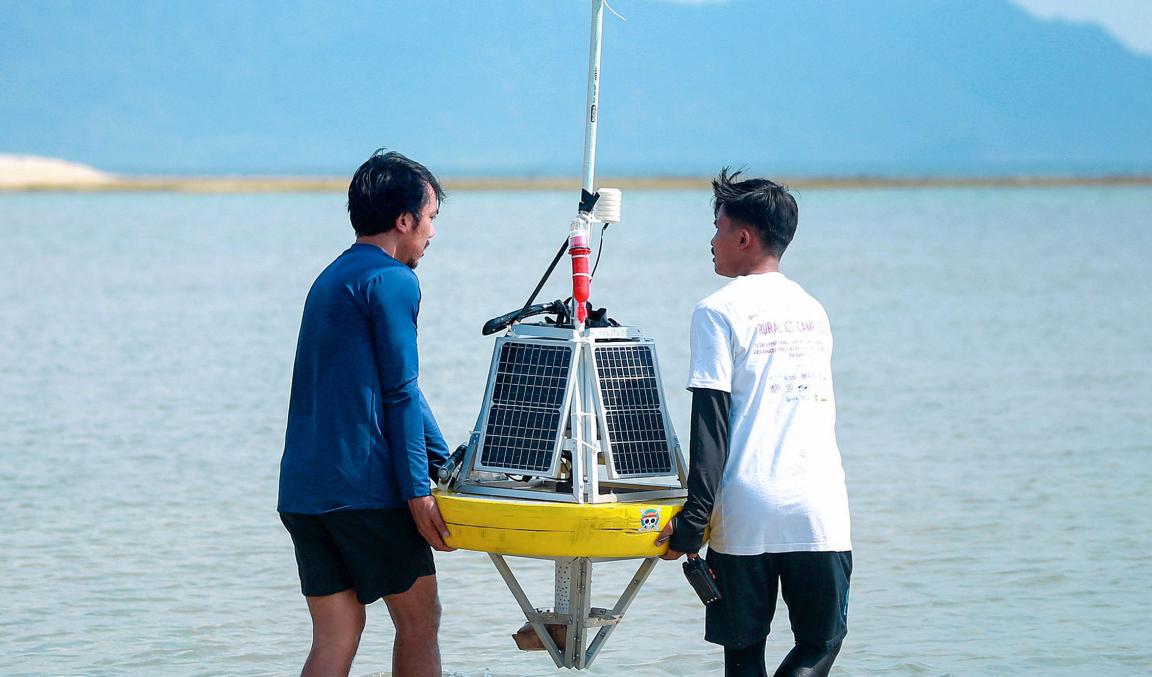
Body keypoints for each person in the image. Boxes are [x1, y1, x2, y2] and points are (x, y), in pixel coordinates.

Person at [656, 169, 852, 677]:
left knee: (743, 653)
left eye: (718, 228)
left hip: (744, 511)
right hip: (818, 508)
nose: (711, 241)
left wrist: (693, 522)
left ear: (744, 238)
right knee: (820, 643)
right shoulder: (813, 310)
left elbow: (711, 425)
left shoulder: (717, 311)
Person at [277, 149, 455, 677]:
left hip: (304, 494)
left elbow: (396, 388)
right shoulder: (394, 280)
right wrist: (419, 492)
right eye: (431, 218)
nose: (432, 233)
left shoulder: (332, 277)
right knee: (419, 620)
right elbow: (400, 392)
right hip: (366, 494)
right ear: (404, 220)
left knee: (338, 631)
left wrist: (443, 461)